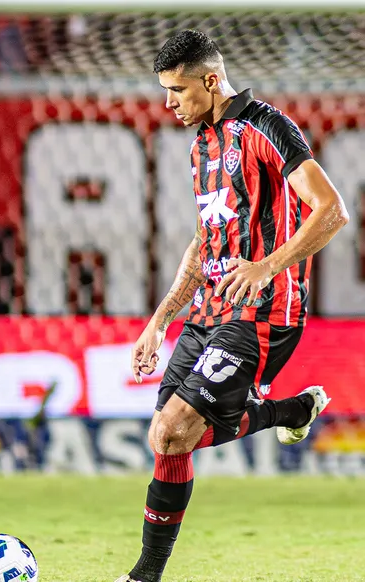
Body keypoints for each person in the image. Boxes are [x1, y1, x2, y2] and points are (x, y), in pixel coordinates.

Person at [119, 29, 349, 582]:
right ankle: (287, 412)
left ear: (211, 80)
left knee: (175, 431)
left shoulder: (267, 127)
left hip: (264, 310)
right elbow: (205, 243)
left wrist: (268, 265)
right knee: (168, 440)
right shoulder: (201, 147)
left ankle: (144, 576)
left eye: (177, 90)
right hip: (207, 313)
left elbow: (332, 210)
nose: (168, 103)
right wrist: (158, 321)